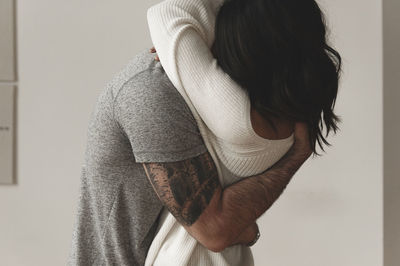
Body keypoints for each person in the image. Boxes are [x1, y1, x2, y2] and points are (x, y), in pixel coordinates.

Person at [67, 49, 313, 266]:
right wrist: (295, 157)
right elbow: (215, 230)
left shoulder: (204, 94)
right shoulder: (153, 91)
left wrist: (244, 231)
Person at [145, 0, 341, 264]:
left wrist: (181, 53)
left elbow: (166, 13)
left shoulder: (236, 116)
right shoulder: (290, 116)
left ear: (247, 45)